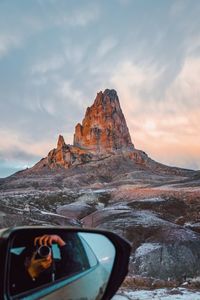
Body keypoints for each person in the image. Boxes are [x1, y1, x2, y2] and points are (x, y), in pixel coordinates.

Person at [10, 234, 85, 295]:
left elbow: (76, 268)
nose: (41, 256)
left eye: (45, 251)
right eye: (35, 254)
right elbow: (14, 293)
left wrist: (59, 240)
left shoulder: (56, 267)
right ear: (25, 260)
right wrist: (31, 272)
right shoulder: (15, 274)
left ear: (50, 255)